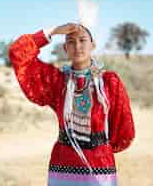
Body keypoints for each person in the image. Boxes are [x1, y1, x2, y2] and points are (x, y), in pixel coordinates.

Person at [8, 23, 135, 186]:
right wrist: (53, 31)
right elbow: (18, 53)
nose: (77, 46)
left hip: (100, 167)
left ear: (93, 45)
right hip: (63, 167)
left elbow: (124, 131)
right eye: (71, 42)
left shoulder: (109, 82)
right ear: (65, 48)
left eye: (83, 40)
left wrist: (101, 148)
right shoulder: (57, 82)